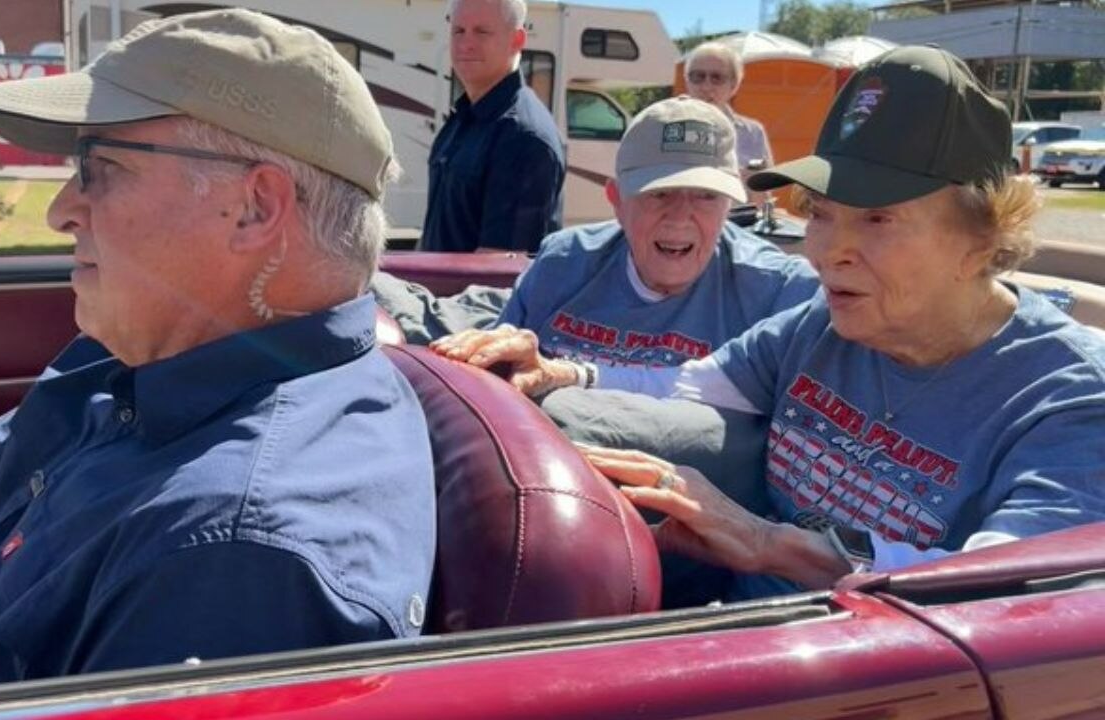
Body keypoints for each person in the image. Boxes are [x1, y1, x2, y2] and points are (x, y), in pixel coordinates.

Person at [0, 10, 436, 698]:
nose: (62, 208)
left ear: (254, 209)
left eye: (101, 169)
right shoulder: (160, 358)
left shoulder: (231, 557)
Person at [578, 45, 1105, 600]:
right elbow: (682, 386)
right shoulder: (823, 324)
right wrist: (561, 375)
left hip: (883, 680)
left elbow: (1014, 591)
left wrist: (768, 544)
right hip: (732, 640)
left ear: (983, 238)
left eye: (877, 218)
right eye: (822, 213)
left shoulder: (1069, 400)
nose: (828, 251)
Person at [430, 96, 818, 397]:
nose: (681, 216)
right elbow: (496, 370)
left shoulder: (779, 292)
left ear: (730, 204)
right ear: (616, 200)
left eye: (705, 195)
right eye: (659, 193)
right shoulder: (563, 263)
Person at [420, 0, 566, 253]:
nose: (466, 43)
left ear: (517, 40)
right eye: (458, 31)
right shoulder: (461, 120)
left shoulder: (523, 139)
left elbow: (497, 274)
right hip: (431, 292)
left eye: (481, 31)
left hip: (463, 294)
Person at [684, 42, 774, 203]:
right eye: (698, 77)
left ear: (734, 85)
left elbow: (764, 201)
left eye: (717, 78)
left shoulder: (752, 132)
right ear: (687, 81)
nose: (706, 86)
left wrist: (753, 183)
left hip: (737, 223)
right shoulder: (666, 127)